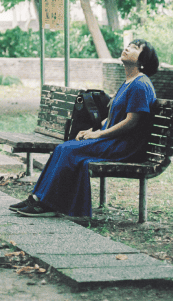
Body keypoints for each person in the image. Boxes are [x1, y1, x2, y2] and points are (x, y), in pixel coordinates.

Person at [10, 38, 160, 218]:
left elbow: (132, 121)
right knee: (63, 149)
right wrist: (92, 131)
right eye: (128, 45)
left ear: (143, 61)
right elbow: (113, 118)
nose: (127, 48)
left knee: (67, 151)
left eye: (135, 48)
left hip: (125, 147)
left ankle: (48, 203)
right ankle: (37, 198)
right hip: (113, 141)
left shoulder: (140, 85)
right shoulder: (129, 82)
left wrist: (98, 134)